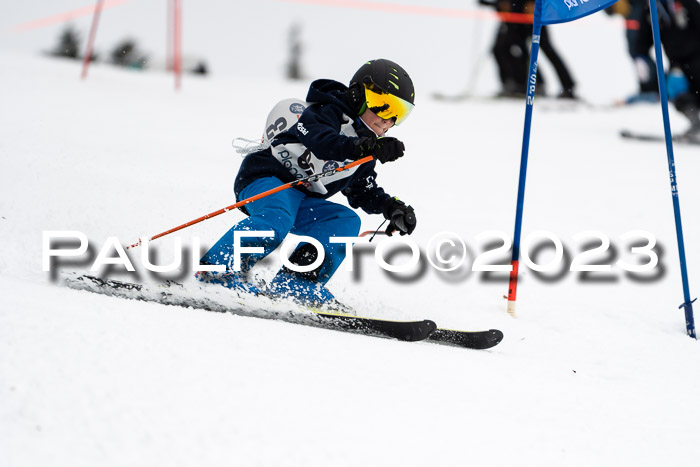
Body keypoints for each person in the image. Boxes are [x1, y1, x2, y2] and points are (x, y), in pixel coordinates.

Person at [196, 59, 418, 305]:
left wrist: (392, 208)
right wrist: (361, 147)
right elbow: (322, 141)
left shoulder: (366, 149)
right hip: (266, 179)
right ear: (357, 95)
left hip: (302, 199)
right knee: (277, 218)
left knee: (344, 221)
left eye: (399, 113)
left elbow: (363, 191)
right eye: (382, 106)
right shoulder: (326, 111)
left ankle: (296, 285)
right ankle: (217, 271)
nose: (388, 120)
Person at [480, 0, 577, 99]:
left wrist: (532, 2)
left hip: (529, 13)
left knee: (546, 49)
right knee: (513, 48)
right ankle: (527, 84)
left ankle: (566, 85)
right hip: (515, 13)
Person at [656, 0, 700, 138]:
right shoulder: (653, 7)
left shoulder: (687, 3)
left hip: (697, 57)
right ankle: (695, 124)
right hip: (676, 63)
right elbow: (641, 40)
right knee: (678, 91)